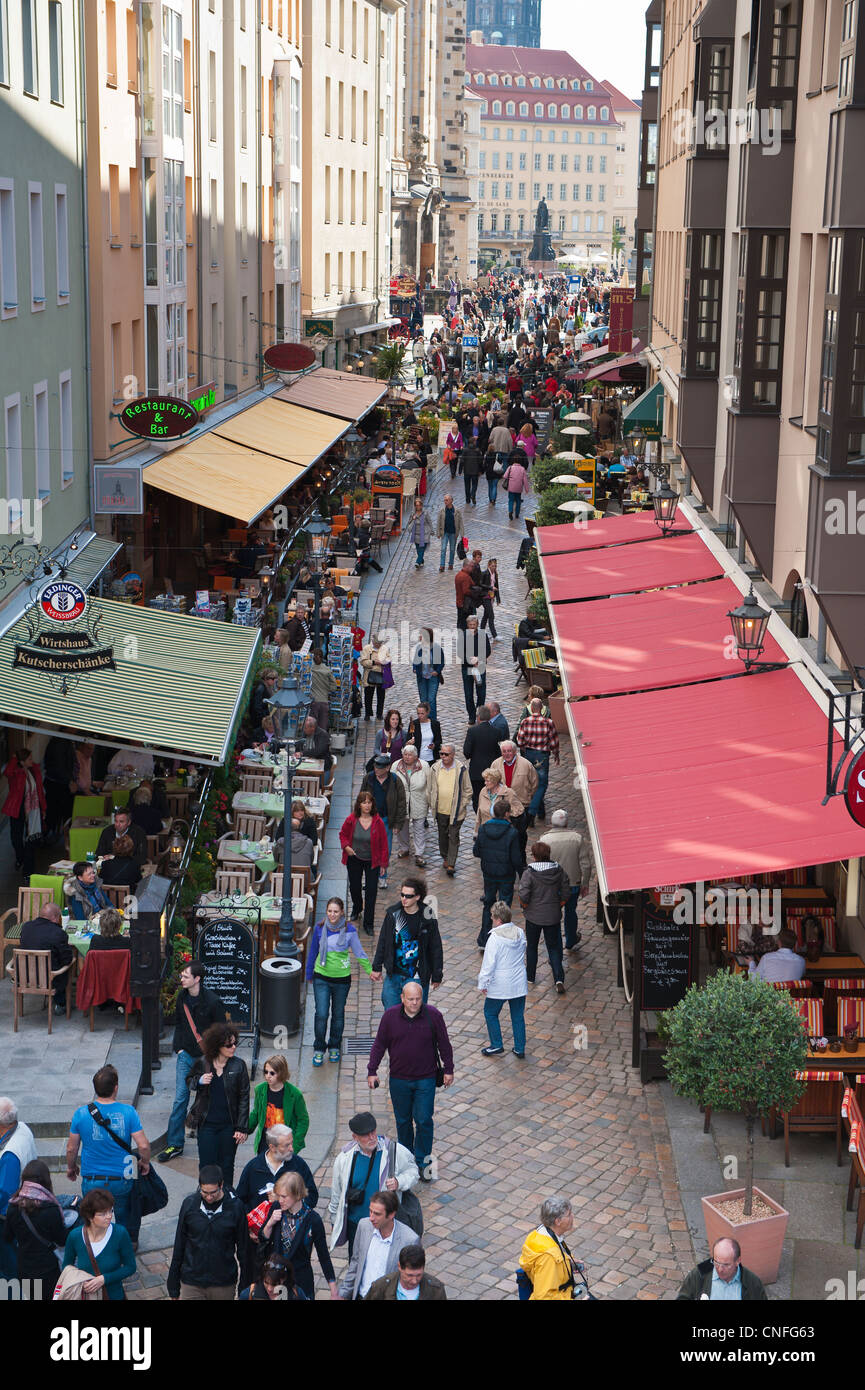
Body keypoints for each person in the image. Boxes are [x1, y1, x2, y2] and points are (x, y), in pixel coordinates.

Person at [367, 981, 454, 1178]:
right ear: (402, 998)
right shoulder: (390, 1017)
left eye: (418, 999)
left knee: (424, 1119)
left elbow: (444, 1045)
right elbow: (379, 1045)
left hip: (426, 1079)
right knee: (403, 1120)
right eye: (411, 999)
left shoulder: (433, 1015)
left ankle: (423, 1161)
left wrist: (449, 1069)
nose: (415, 1003)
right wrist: (372, 1070)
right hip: (399, 1079)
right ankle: (406, 1158)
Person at [66, 1065, 150, 1240]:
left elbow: (72, 1148)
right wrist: (145, 1162)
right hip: (121, 1179)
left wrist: (71, 1167)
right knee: (123, 1218)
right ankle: (124, 1247)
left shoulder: (81, 1114)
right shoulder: (128, 1112)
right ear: (116, 1087)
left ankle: (97, 1250)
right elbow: (142, 1146)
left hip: (92, 1180)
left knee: (94, 1220)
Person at [160, 960, 226, 1163]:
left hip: (206, 1057)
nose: (181, 979)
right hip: (186, 1055)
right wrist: (178, 1049)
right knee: (181, 1097)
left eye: (185, 976)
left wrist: (217, 1057)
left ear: (197, 979)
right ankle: (175, 1143)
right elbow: (179, 1024)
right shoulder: (182, 997)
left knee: (209, 1098)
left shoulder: (213, 1002)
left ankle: (211, 1140)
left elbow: (222, 1032)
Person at [328, 1112, 419, 1255]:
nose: (371, 1137)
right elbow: (337, 1192)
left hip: (385, 1224)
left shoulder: (393, 1151)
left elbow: (413, 1171)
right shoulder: (344, 1158)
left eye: (373, 1132)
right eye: (365, 1135)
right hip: (357, 1226)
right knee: (357, 1263)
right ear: (355, 1137)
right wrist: (334, 1220)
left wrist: (399, 1182)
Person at [249, 1169, 338, 1300]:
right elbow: (262, 1238)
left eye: (284, 1196)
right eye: (278, 1195)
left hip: (300, 1282)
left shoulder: (313, 1220)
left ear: (297, 1195)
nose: (280, 1200)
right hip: (275, 1282)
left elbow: (323, 1256)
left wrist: (333, 1290)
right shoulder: (276, 1209)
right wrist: (270, 1223)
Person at [306, 896, 372, 1066]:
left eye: (336, 911)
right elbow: (313, 951)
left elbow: (359, 952)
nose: (332, 915)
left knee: (338, 1015)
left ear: (342, 912)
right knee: (321, 1014)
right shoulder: (320, 928)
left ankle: (334, 1045)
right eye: (329, 911)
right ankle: (319, 1048)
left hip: (342, 980)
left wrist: (371, 971)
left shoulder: (350, 930)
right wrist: (308, 974)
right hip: (321, 977)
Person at [168, 1164, 249, 1301]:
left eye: (213, 1192)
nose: (209, 1197)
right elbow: (179, 1245)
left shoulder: (236, 1208)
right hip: (192, 1281)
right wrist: (173, 1286)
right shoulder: (189, 1205)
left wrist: (244, 1287)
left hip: (223, 1283)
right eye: (205, 1192)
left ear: (221, 1185)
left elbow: (243, 1249)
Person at [187, 1023, 250, 1189]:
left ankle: (227, 1198)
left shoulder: (239, 1065)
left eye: (235, 1043)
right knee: (207, 1165)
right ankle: (206, 1195)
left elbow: (244, 1097)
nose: (233, 1047)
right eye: (229, 1044)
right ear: (217, 1045)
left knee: (227, 1165)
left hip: (229, 1126)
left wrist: (242, 1127)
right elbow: (189, 1081)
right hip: (207, 1124)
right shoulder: (203, 1063)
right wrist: (199, 1081)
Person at [370, 876, 443, 1010]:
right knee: (391, 1014)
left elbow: (435, 946)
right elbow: (383, 941)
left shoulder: (427, 916)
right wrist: (376, 967)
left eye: (408, 896)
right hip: (394, 976)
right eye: (402, 895)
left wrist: (437, 974)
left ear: (417, 897)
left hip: (417, 976)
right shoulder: (393, 914)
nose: (404, 899)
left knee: (415, 1017)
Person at [2, 1159, 68, 1298]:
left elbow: (7, 1237)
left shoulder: (13, 1207)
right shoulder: (51, 1209)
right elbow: (62, 1240)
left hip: (25, 1268)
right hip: (48, 1270)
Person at [337, 1191, 418, 1300]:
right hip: (362, 1296)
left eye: (377, 1214)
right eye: (370, 1211)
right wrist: (343, 1293)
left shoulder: (410, 1240)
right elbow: (356, 1262)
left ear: (391, 1214)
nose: (371, 1218)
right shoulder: (364, 1226)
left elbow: (411, 1281)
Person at [62, 1188, 136, 1302]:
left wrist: (104, 1279)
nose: (109, 1216)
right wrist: (79, 1281)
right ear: (90, 1216)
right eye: (102, 1214)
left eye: (111, 1211)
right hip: (86, 1296)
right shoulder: (75, 1236)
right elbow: (67, 1267)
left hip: (113, 1296)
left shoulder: (120, 1233)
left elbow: (130, 1267)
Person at [519, 842, 570, 994]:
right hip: (552, 916)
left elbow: (523, 894)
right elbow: (566, 892)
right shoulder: (559, 870)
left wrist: (525, 905)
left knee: (532, 947)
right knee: (554, 948)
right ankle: (558, 978)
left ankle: (530, 976)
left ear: (534, 856)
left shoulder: (529, 873)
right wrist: (559, 904)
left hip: (533, 917)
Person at [474, 798, 525, 949]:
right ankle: (501, 939)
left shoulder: (483, 829)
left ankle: (484, 939)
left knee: (488, 904)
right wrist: (522, 873)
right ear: (507, 813)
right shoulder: (512, 833)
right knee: (504, 906)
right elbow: (516, 858)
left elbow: (476, 851)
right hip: (506, 875)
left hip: (489, 873)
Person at [478, 902, 528, 1058]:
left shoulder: (494, 939)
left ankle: (496, 1044)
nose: (491, 919)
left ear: (498, 920)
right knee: (518, 1016)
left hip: (500, 984)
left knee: (490, 1013)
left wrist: (483, 984)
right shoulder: (520, 932)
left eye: (492, 917)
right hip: (519, 981)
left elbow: (488, 965)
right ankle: (519, 1048)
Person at [539, 810, 593, 952]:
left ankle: (556, 945)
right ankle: (570, 939)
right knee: (570, 911)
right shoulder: (577, 838)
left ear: (552, 822)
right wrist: (585, 883)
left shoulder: (544, 840)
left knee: (554, 915)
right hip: (572, 884)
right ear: (567, 822)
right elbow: (586, 864)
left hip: (551, 885)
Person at [339, 790, 389, 935]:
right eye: (364, 802)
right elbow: (342, 834)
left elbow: (384, 844)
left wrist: (383, 864)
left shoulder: (378, 822)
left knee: (371, 892)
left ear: (372, 804)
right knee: (354, 887)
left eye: (369, 802)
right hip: (354, 858)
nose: (367, 805)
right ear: (359, 805)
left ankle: (368, 923)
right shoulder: (351, 819)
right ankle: (357, 907)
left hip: (372, 861)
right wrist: (346, 846)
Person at [0, 1098, 38, 1279]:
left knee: (10, 1267)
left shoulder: (10, 1155)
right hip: (28, 1203)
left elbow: (4, 1193)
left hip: (9, 1217)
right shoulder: (22, 1127)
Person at [519, 1196, 583, 1301]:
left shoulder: (540, 1234)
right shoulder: (548, 1258)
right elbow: (544, 1297)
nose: (573, 1216)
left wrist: (568, 1262)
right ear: (558, 1221)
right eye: (569, 1214)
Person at [360, 754, 407, 889]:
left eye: (379, 767)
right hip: (370, 819)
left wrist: (398, 824)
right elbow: (361, 798)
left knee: (385, 850)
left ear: (387, 768)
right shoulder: (368, 778)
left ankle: (382, 876)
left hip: (386, 820)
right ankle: (369, 877)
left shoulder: (395, 780)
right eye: (375, 766)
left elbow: (401, 803)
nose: (376, 769)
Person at [19, 902, 74, 1011]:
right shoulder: (58, 933)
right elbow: (67, 960)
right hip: (50, 979)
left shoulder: (26, 927)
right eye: (59, 917)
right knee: (64, 966)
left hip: (25, 977)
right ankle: (61, 1004)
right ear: (54, 917)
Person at [1, 747, 46, 877]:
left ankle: (28, 870)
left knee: (30, 840)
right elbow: (7, 771)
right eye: (29, 759)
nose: (32, 760)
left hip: (33, 809)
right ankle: (20, 858)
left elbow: (39, 791)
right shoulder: (15, 773)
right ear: (22, 762)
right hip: (17, 807)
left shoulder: (34, 771)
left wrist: (43, 808)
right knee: (16, 837)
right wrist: (15, 758)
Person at [676, 1238, 768, 1301]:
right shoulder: (700, 1271)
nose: (720, 1269)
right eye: (716, 1262)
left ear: (738, 1261)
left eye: (726, 1265)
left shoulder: (752, 1281)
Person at [428, 744, 472, 876]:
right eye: (441, 754)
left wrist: (462, 804)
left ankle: (451, 863)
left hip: (456, 812)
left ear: (453, 754)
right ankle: (445, 857)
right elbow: (430, 787)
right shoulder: (435, 768)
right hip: (440, 810)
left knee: (453, 836)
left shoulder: (461, 769)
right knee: (442, 836)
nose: (443, 756)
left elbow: (468, 790)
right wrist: (431, 802)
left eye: (446, 754)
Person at [516, 698, 560, 825]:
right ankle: (532, 811)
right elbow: (553, 741)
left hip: (528, 754)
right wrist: (556, 754)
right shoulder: (548, 722)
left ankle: (541, 811)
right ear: (541, 708)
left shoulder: (525, 721)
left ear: (531, 708)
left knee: (531, 783)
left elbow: (520, 741)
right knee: (541, 784)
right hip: (542, 755)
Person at [363, 1242, 447, 1300]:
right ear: (399, 1266)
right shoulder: (381, 1287)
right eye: (409, 1275)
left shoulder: (436, 1290)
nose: (414, 1281)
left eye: (418, 1275)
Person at [393, 745, 431, 868]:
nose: (407, 757)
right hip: (401, 802)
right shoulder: (396, 766)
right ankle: (404, 848)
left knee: (419, 828)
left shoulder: (424, 766)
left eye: (410, 755)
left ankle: (419, 853)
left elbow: (430, 785)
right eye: (405, 754)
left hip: (419, 801)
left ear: (416, 756)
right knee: (402, 827)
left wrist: (429, 800)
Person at [463, 705, 504, 811]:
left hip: (476, 772)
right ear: (489, 717)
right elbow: (499, 753)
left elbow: (467, 753)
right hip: (492, 772)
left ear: (478, 717)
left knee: (477, 798)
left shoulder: (472, 731)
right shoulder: (497, 731)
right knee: (492, 797)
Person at [460, 616, 492, 724]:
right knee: (468, 694)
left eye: (474, 625)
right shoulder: (463, 636)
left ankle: (479, 714)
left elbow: (487, 650)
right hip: (467, 668)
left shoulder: (483, 635)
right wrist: (471, 661)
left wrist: (478, 659)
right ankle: (471, 716)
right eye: (470, 625)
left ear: (477, 624)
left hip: (480, 666)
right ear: (467, 625)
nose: (472, 627)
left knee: (481, 693)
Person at [240, 1254, 308, 1301]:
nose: (269, 1289)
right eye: (266, 1282)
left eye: (274, 1284)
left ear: (284, 1279)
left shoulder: (296, 1293)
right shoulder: (249, 1294)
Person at [411, 628, 445, 718]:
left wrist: (437, 671)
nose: (419, 637)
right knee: (423, 700)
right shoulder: (419, 647)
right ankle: (424, 719)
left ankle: (432, 721)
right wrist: (414, 668)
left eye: (421, 635)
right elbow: (415, 660)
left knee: (431, 699)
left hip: (432, 677)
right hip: (421, 677)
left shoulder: (436, 648)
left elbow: (442, 662)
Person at [360, 632, 391, 722]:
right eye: (377, 643)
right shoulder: (367, 649)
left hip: (381, 675)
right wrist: (373, 662)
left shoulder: (385, 649)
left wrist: (384, 661)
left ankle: (379, 714)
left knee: (381, 696)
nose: (379, 645)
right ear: (373, 642)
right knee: (368, 696)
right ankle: (368, 713)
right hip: (370, 675)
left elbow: (389, 659)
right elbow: (363, 662)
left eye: (380, 644)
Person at [407, 701, 443, 767]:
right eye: (418, 713)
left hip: (431, 758)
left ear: (427, 713)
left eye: (422, 713)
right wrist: (409, 742)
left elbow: (439, 740)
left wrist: (434, 745)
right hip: (417, 759)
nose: (420, 716)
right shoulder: (413, 724)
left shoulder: (435, 724)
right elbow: (407, 740)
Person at [309, 649, 337, 731]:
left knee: (312, 726)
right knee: (323, 727)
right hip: (324, 701)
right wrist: (327, 689)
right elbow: (333, 687)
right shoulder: (327, 670)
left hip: (314, 702)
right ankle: (322, 742)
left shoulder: (310, 669)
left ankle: (312, 742)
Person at [436, 494, 464, 572]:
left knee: (452, 549)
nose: (445, 501)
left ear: (451, 500)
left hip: (453, 533)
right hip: (444, 532)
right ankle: (442, 565)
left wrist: (462, 534)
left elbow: (461, 522)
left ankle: (451, 564)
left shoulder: (457, 511)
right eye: (444, 500)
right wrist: (438, 533)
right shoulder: (442, 511)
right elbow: (438, 522)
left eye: (447, 500)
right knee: (443, 548)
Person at [503, 452, 531, 520]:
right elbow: (525, 480)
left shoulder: (510, 468)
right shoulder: (522, 469)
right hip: (519, 487)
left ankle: (510, 511)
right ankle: (517, 514)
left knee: (511, 500)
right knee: (518, 500)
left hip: (511, 487)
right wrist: (527, 489)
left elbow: (505, 476)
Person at [479, 557, 501, 637]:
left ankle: (481, 631)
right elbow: (480, 584)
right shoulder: (484, 573)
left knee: (486, 615)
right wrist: (490, 587)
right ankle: (494, 635)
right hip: (485, 597)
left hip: (491, 597)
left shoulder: (495, 574)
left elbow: (497, 586)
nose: (494, 567)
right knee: (491, 615)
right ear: (489, 566)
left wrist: (498, 598)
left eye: (495, 566)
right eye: (492, 566)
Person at [409, 497, 430, 568]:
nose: (418, 507)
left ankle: (418, 562)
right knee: (418, 550)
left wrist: (432, 531)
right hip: (416, 534)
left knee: (422, 549)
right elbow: (409, 522)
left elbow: (429, 522)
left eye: (419, 505)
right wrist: (413, 518)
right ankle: (421, 560)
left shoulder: (425, 513)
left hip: (424, 534)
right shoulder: (413, 513)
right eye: (416, 505)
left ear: (421, 505)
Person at [461, 437, 482, 506]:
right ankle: (473, 494)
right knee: (474, 484)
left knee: (467, 485)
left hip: (467, 471)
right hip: (475, 471)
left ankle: (467, 499)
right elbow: (480, 462)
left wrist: (460, 470)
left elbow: (462, 461)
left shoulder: (465, 450)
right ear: (473, 442)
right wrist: (481, 470)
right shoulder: (477, 450)